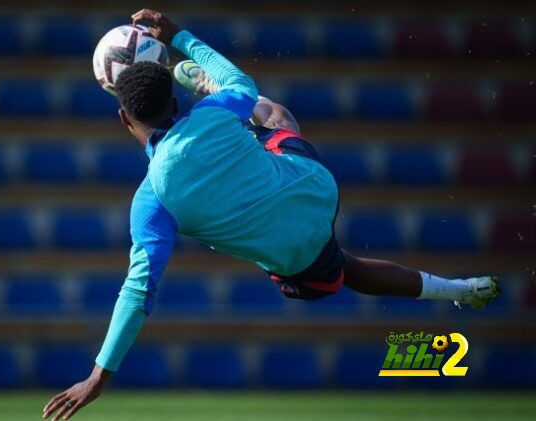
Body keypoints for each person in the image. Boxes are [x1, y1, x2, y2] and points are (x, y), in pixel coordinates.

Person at [42, 9, 499, 421]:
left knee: (343, 270)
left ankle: (458, 290)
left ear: (124, 118)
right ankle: (199, 80)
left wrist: (98, 377)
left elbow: (139, 290)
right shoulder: (214, 113)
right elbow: (240, 79)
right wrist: (179, 34)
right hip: (315, 185)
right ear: (177, 101)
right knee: (272, 114)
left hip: (296, 253)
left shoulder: (152, 200)